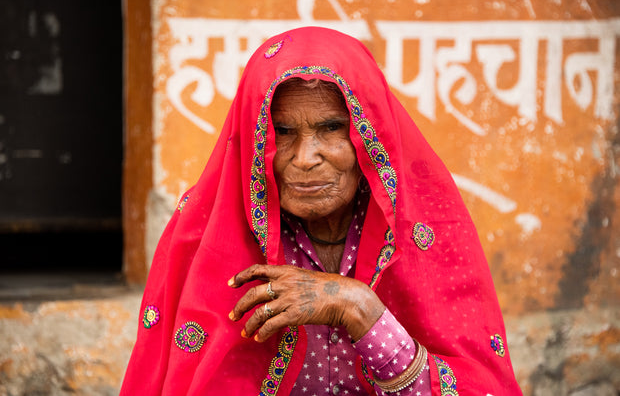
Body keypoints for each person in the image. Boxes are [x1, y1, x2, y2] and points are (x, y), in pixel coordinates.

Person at [120, 27, 522, 395]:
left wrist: (358, 308)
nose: (305, 158)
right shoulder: (201, 235)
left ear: (370, 133)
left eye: (331, 127)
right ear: (254, 135)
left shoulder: (429, 228)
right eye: (282, 131)